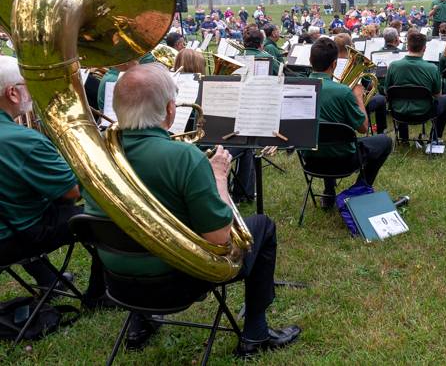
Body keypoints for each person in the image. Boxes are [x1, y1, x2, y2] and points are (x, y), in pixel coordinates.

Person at [84, 64, 300, 354]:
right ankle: (255, 334)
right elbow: (221, 240)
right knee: (263, 225)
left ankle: (139, 321)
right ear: (171, 110)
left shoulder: (94, 158)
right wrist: (219, 177)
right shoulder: (184, 157)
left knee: (134, 229)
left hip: (119, 282)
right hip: (179, 281)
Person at [0, 56, 107, 306]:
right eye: (27, 85)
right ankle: (99, 295)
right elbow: (70, 193)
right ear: (12, 93)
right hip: (14, 238)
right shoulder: (23, 140)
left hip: (8, 224)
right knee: (106, 218)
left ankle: (49, 280)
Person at [306, 38, 392, 205]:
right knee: (385, 141)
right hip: (343, 160)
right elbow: (363, 128)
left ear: (310, 61)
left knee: (323, 134)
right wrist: (359, 97)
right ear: (334, 64)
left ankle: (329, 192)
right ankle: (359, 189)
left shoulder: (296, 86)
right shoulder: (343, 92)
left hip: (310, 159)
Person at [385, 31, 446, 142]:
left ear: (407, 46)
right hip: (424, 113)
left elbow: (387, 92)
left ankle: (403, 138)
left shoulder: (393, 66)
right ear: (424, 48)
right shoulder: (431, 68)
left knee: (400, 97)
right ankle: (435, 137)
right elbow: (438, 95)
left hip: (398, 112)